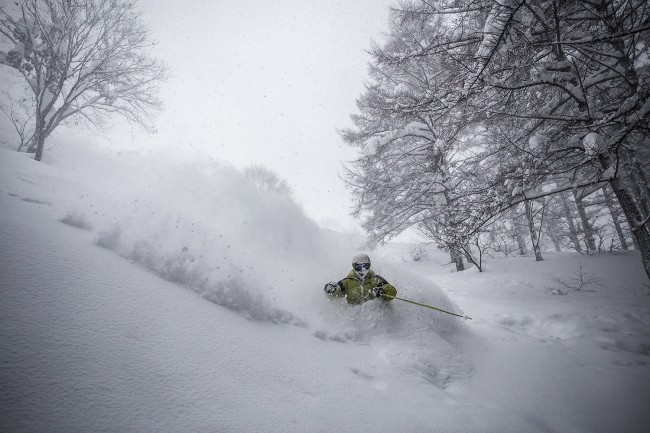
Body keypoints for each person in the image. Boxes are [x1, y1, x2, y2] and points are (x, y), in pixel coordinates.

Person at [324, 253, 397, 305]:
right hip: (354, 318)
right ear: (353, 266)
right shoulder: (347, 281)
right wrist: (331, 289)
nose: (362, 270)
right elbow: (337, 293)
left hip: (373, 317)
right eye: (358, 267)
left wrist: (383, 290)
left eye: (365, 266)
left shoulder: (376, 279)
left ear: (369, 265)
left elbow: (392, 291)